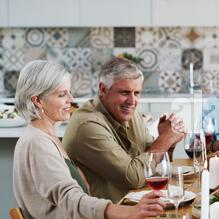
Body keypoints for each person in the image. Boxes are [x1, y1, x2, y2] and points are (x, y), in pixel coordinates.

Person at [13, 60, 165, 219]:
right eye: (62, 94)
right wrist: (128, 212)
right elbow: (71, 200)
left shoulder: (46, 137)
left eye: (69, 92)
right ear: (38, 100)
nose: (71, 99)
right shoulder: (37, 144)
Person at [63, 58, 185, 204]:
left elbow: (152, 166)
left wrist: (169, 142)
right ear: (103, 89)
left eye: (137, 93)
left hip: (135, 207)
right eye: (125, 92)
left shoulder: (130, 113)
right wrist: (165, 139)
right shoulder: (87, 125)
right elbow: (133, 177)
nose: (132, 101)